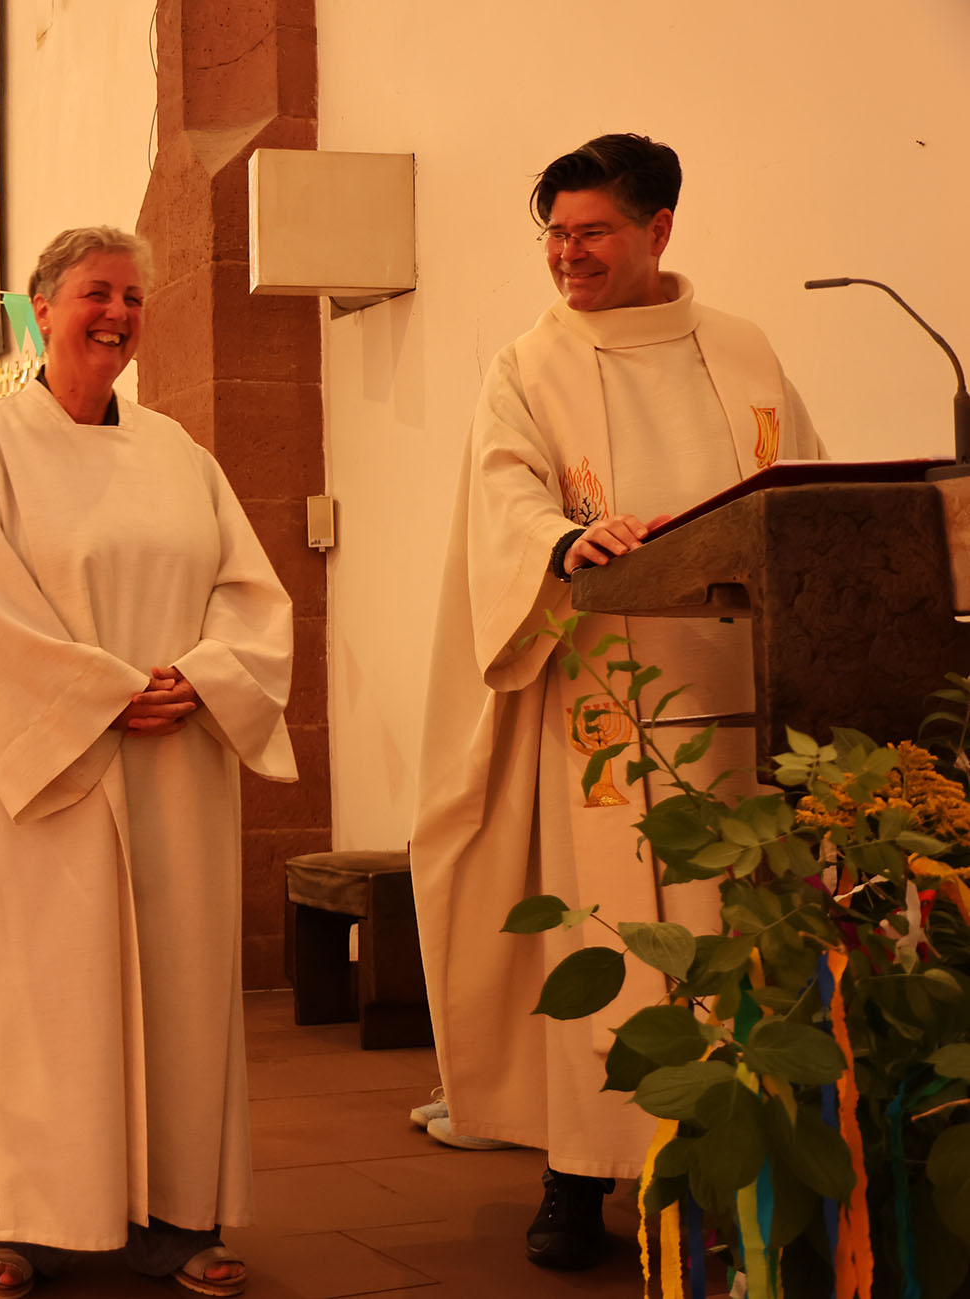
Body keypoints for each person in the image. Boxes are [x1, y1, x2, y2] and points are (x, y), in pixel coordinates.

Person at [409, 134, 825, 1271]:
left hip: (739, 685)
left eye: (590, 231)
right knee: (605, 933)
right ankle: (577, 1172)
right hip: (605, 681)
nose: (565, 255)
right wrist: (560, 537)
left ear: (658, 230)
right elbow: (501, 493)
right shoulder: (527, 365)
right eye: (552, 233)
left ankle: (733, 1165)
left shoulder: (740, 351)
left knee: (733, 929)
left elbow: (802, 497)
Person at [0, 226, 296, 1299]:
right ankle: (19, 1220)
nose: (118, 314)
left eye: (134, 297)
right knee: (40, 999)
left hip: (176, 762)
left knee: (176, 995)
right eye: (97, 293)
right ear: (41, 307)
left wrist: (207, 676)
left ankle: (177, 1219)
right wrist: (100, 693)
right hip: (42, 775)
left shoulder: (179, 453)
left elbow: (251, 595)